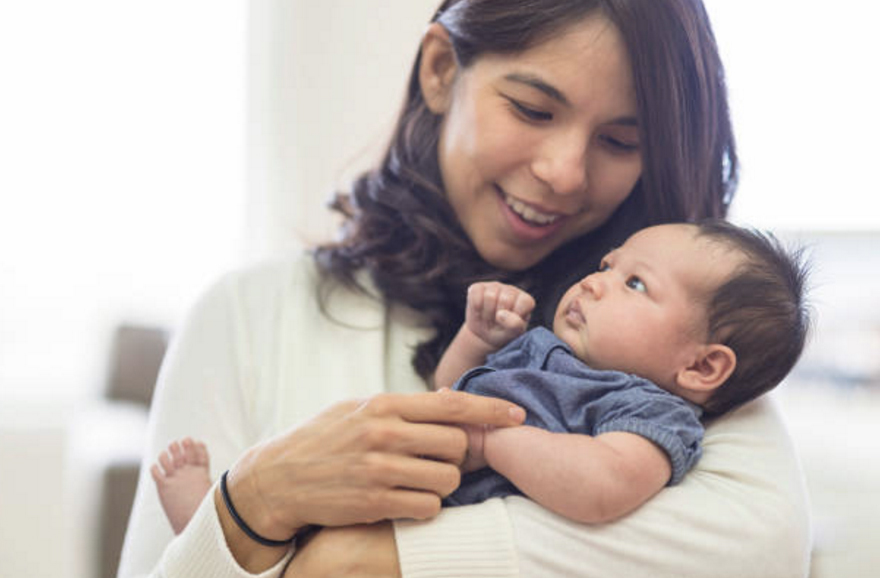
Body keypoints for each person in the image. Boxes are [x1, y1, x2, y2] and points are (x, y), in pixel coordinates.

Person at [118, 1, 813, 577]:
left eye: (619, 142)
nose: (565, 172)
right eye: (534, 110)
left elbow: (763, 549)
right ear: (442, 70)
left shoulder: (672, 354)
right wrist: (251, 503)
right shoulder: (247, 314)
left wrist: (359, 560)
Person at [149, 221, 809, 532]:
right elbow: (449, 391)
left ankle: (221, 525)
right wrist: (477, 340)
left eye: (635, 283)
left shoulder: (649, 414)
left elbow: (602, 488)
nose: (599, 283)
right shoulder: (544, 349)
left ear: (700, 365)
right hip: (405, 479)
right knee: (315, 507)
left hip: (443, 517)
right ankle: (212, 519)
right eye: (609, 266)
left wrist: (491, 440)